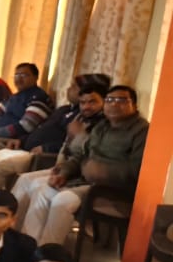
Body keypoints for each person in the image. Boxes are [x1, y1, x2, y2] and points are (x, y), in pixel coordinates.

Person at [16, 84, 149, 246]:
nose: (114, 104)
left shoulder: (141, 130)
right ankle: (30, 245)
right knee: (44, 191)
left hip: (111, 190)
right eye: (110, 100)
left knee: (62, 200)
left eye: (121, 100)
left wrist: (104, 171)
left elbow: (137, 169)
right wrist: (64, 172)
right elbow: (80, 155)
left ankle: (49, 251)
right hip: (83, 180)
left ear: (134, 105)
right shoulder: (102, 126)